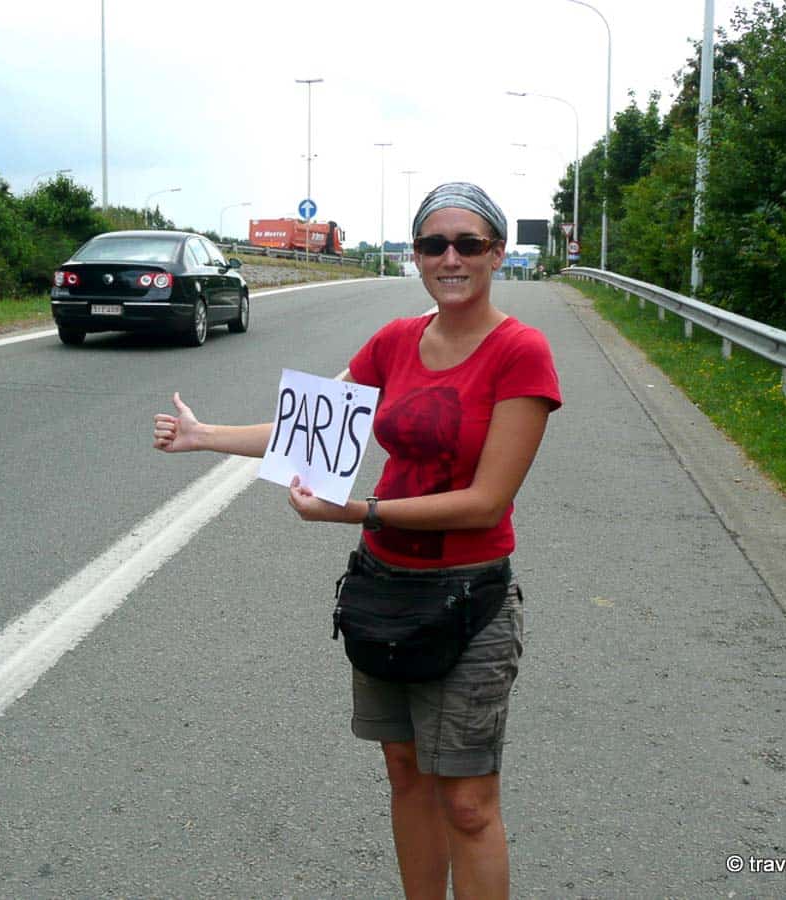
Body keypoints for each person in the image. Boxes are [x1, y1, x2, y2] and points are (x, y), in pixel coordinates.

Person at [153, 182, 561, 898]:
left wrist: (359, 511)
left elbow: (486, 502)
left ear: (497, 253)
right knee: (405, 773)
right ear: (417, 256)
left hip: (469, 600)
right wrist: (204, 435)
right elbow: (311, 430)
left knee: (467, 803)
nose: (450, 258)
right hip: (384, 592)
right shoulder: (395, 341)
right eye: (434, 244)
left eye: (469, 243)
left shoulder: (521, 352)